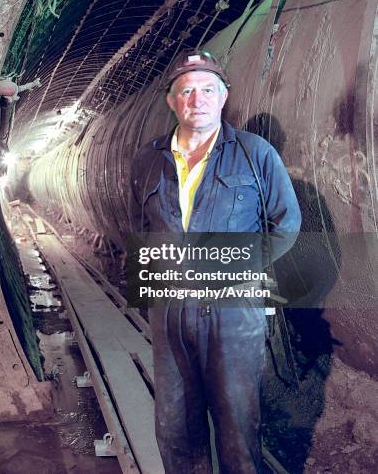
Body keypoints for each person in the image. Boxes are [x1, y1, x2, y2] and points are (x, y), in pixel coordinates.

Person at [129, 51, 301, 473]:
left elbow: (287, 224)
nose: (197, 99)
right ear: (171, 100)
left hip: (232, 313)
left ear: (223, 97)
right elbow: (139, 227)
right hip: (170, 312)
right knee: (173, 427)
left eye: (208, 89)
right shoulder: (147, 161)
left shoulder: (254, 154)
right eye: (186, 90)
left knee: (238, 426)